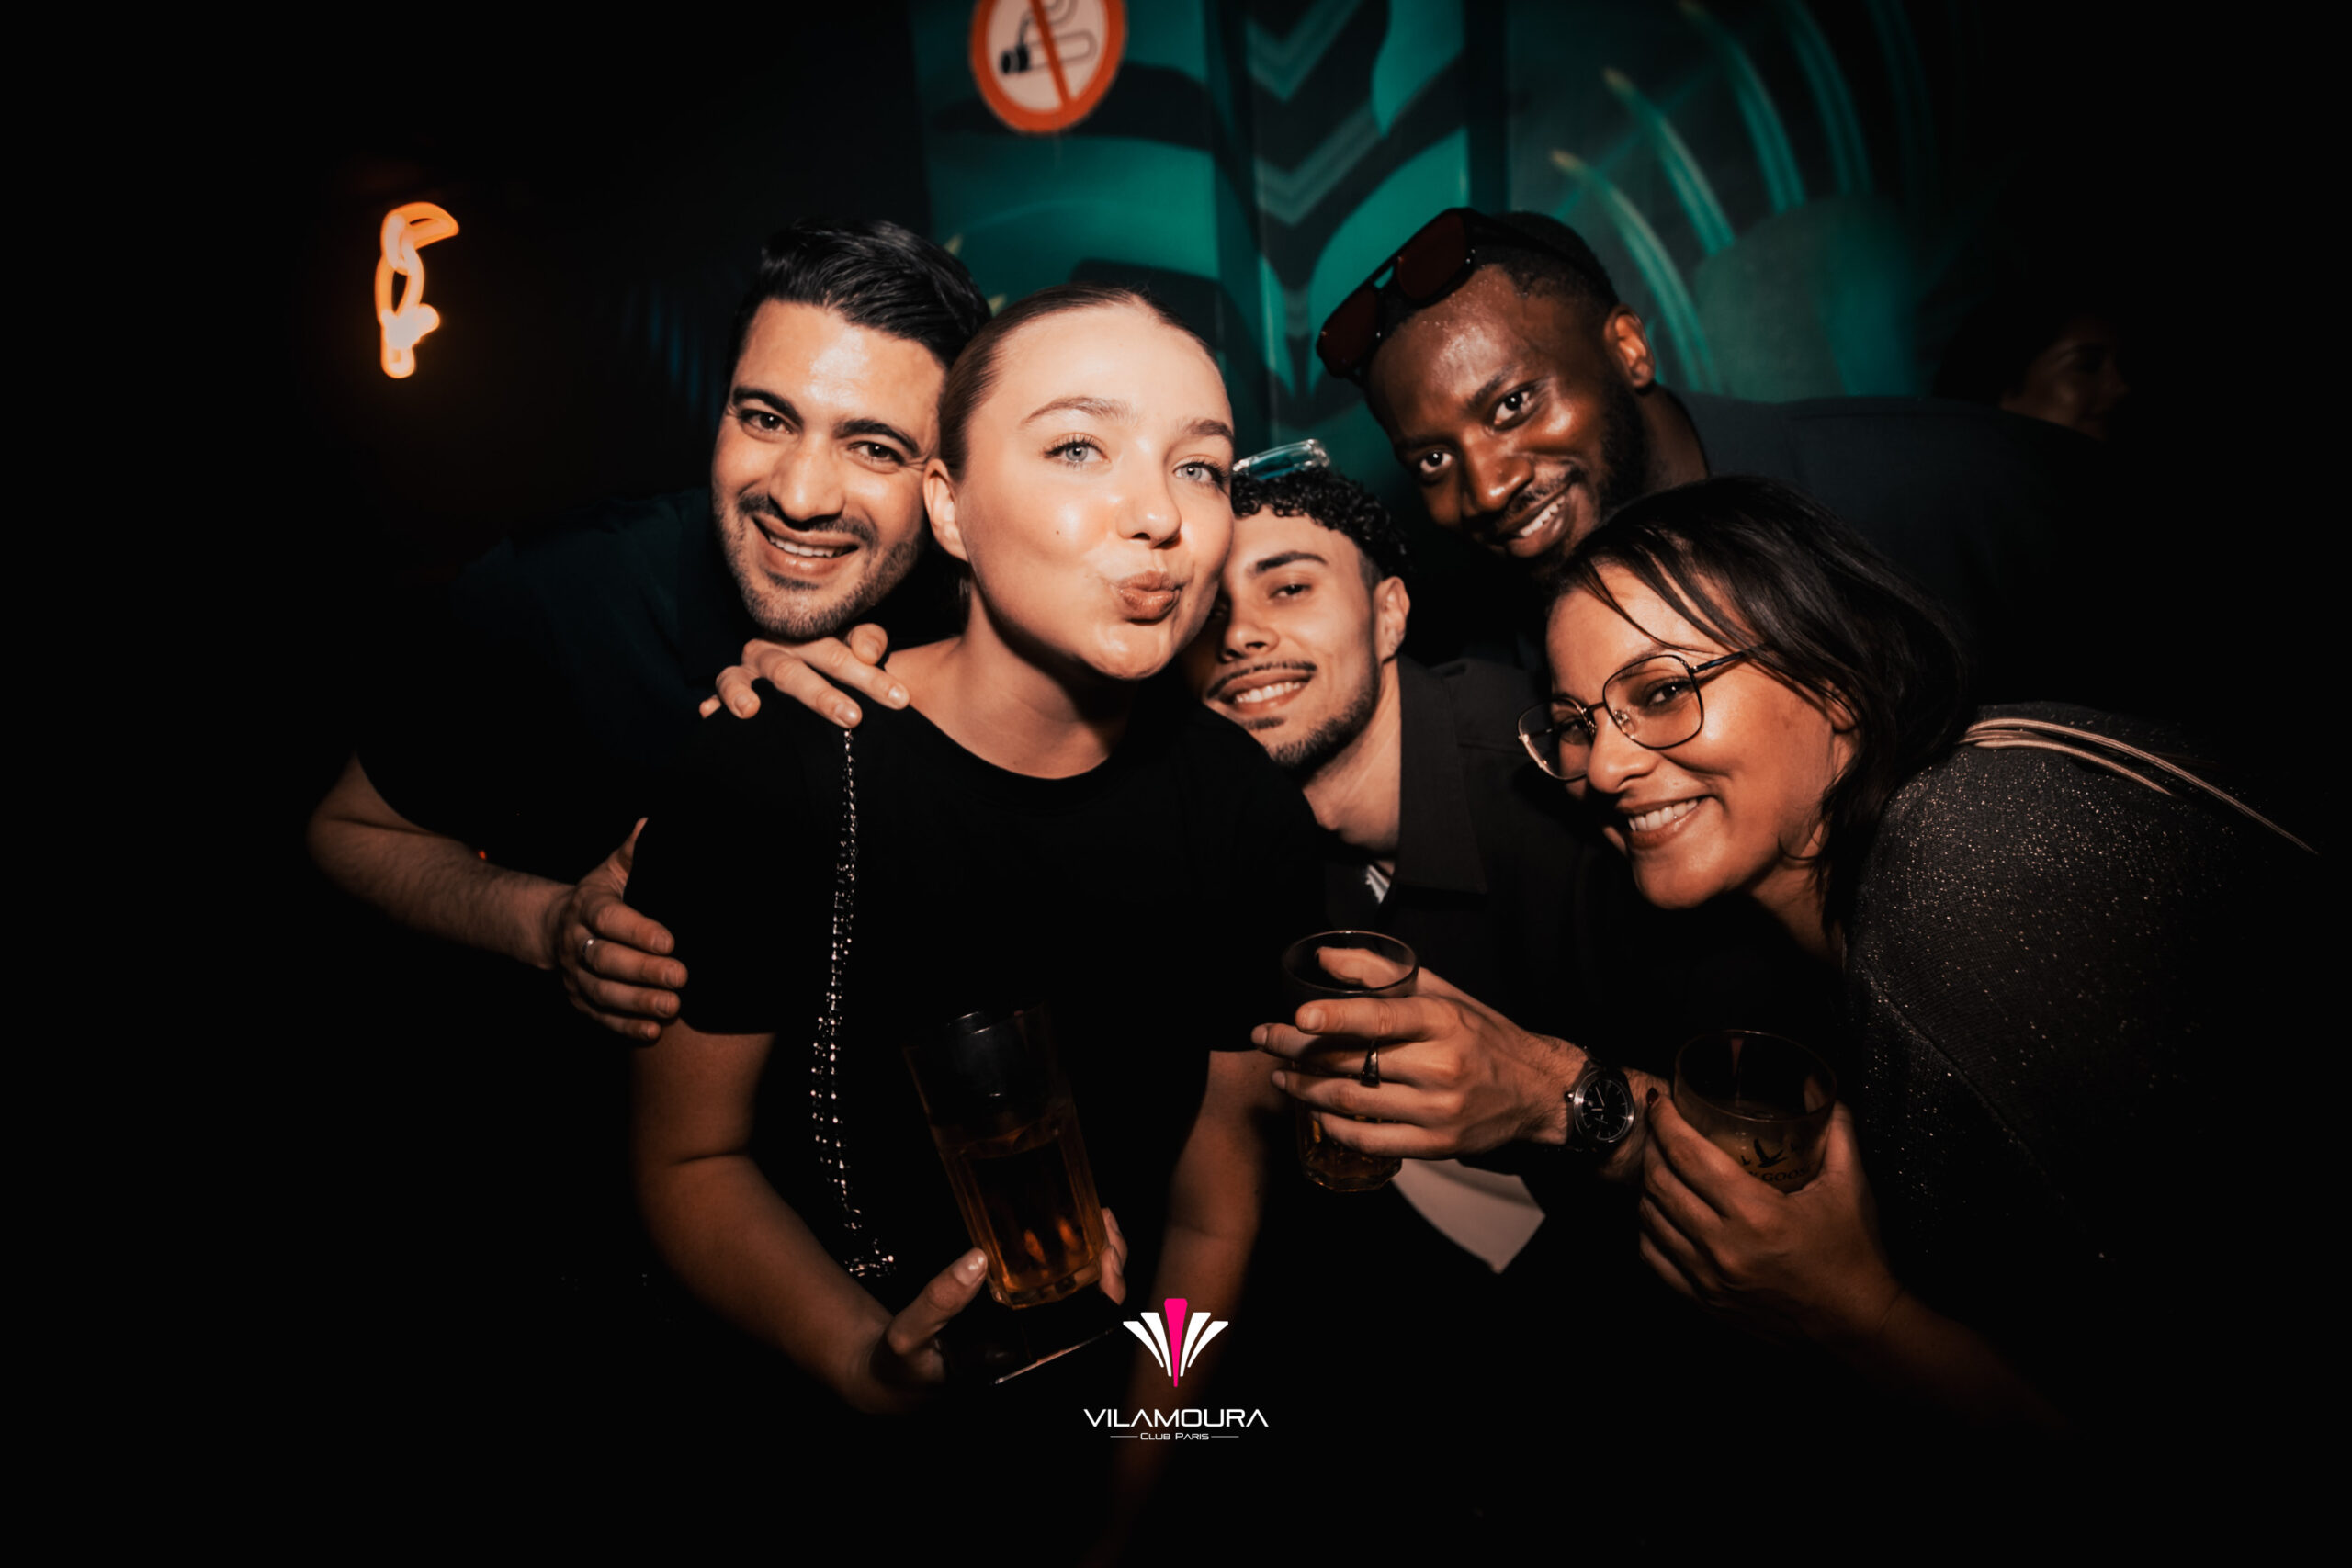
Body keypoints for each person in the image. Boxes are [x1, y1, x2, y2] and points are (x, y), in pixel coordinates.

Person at [621, 284, 1321, 1542]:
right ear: (947, 506)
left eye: (1200, 468)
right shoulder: (773, 769)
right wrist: (860, 1360)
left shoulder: (1247, 816)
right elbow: (687, 1160)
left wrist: (1126, 1505)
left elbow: (1214, 1214)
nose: (1160, 515)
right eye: (1077, 447)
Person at [1535, 475, 2311, 1458]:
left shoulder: (1964, 893)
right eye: (1576, 723)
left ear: (1834, 680)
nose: (1604, 770)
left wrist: (1853, 1309)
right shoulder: (1958, 812)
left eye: (1660, 693)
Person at [308, 216, 988, 1042]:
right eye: (766, 419)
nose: (800, 495)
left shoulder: (983, 624)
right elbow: (348, 831)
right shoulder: (559, 591)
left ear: (948, 485)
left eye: (875, 448)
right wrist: (551, 923)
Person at [1323, 207, 2137, 711]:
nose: (1489, 486)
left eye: (1513, 405)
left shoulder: (1958, 486)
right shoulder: (1503, 665)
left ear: (1629, 349)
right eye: (1433, 460)